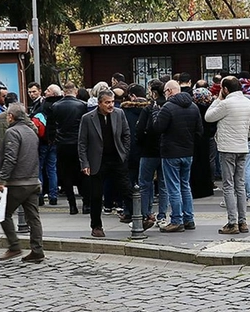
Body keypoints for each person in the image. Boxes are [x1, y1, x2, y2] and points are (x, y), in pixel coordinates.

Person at [78, 90, 137, 237]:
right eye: (107, 102)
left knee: (126, 190)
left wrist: (124, 153)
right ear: (99, 103)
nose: (111, 105)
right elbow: (82, 143)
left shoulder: (119, 114)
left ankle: (140, 218)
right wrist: (84, 163)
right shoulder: (88, 118)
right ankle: (96, 226)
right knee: (96, 195)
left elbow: (126, 134)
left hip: (117, 159)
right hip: (97, 161)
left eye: (112, 102)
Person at [205, 76, 250, 234]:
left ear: (225, 89)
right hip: (243, 147)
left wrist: (217, 99)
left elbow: (208, 117)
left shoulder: (225, 104)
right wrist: (243, 136)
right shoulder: (249, 103)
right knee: (240, 185)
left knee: (228, 186)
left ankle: (232, 222)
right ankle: (243, 222)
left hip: (227, 148)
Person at [0, 103, 44, 263]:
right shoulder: (31, 131)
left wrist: (2, 179)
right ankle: (37, 250)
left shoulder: (12, 132)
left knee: (3, 214)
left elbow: (10, 158)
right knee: (33, 218)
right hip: (33, 180)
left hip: (17, 182)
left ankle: (14, 246)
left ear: (11, 116)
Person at [153, 81, 203, 232]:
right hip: (188, 152)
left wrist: (156, 113)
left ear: (168, 91)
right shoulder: (194, 106)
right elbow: (199, 131)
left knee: (173, 187)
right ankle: (189, 218)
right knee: (185, 186)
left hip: (170, 152)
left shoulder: (167, 107)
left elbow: (158, 128)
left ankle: (176, 220)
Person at [50, 82, 88, 215]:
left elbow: (51, 127)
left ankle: (72, 204)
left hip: (62, 144)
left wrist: (53, 140)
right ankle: (86, 203)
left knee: (66, 174)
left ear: (63, 91)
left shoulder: (55, 106)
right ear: (75, 91)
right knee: (83, 172)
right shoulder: (82, 105)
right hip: (78, 143)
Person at [136, 80, 168, 227]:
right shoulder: (168, 107)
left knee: (145, 183)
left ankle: (146, 214)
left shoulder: (148, 109)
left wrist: (142, 141)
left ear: (153, 92)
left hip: (148, 150)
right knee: (163, 184)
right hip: (166, 150)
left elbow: (139, 129)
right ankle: (162, 215)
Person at [190, 88, 218, 199]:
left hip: (195, 139)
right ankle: (208, 186)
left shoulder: (193, 109)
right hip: (207, 138)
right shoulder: (210, 109)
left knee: (196, 165)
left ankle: (196, 188)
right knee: (207, 162)